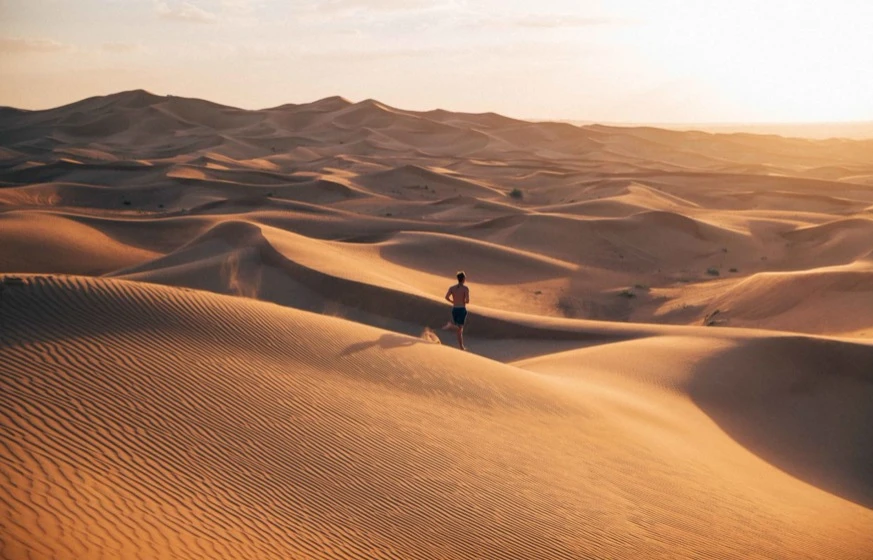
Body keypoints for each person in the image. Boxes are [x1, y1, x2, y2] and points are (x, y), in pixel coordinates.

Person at [442, 271, 469, 350]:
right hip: (461, 309)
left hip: (454, 309)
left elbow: (446, 297)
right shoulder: (465, 288)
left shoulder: (452, 288)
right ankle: (450, 325)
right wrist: (463, 301)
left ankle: (461, 347)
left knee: (459, 330)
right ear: (463, 279)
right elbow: (467, 300)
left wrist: (453, 301)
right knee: (460, 328)